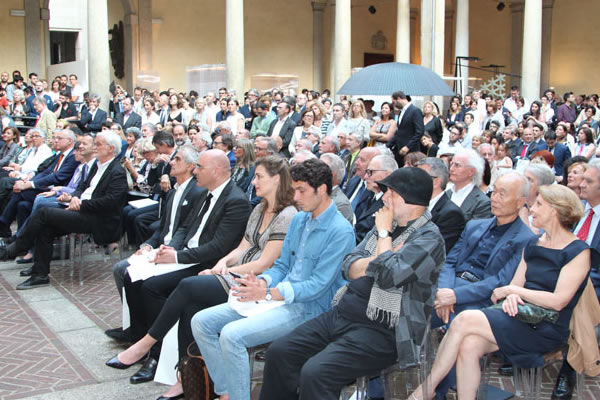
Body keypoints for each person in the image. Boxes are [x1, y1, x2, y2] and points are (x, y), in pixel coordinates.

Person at [106, 156, 297, 399]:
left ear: (277, 180)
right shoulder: (259, 208)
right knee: (190, 310)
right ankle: (187, 377)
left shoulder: (287, 215)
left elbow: (264, 262)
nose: (254, 181)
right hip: (236, 271)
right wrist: (223, 263)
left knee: (188, 286)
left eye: (259, 176)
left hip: (254, 281)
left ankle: (146, 343)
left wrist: (225, 270)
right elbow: (242, 247)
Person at [259, 167, 446, 400]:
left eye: (391, 193)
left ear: (413, 200)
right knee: (280, 352)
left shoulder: (428, 238)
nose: (384, 198)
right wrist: (381, 256)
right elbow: (348, 266)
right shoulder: (387, 226)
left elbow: (388, 276)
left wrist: (384, 235)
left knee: (317, 372)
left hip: (386, 330)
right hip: (344, 313)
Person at [191, 158, 355, 400]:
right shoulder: (300, 219)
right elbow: (281, 266)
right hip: (280, 298)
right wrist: (263, 282)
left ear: (321, 189)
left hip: (309, 308)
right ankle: (227, 392)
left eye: (301, 191)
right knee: (201, 321)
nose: (296, 197)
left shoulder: (340, 231)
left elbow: (318, 286)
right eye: (294, 190)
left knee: (232, 336)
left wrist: (267, 293)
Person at [411, 184, 590, 400]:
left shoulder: (578, 251)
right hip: (517, 315)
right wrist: (514, 294)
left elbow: (559, 301)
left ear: (555, 210)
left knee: (464, 319)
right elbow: (516, 285)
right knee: (468, 346)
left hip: (546, 326)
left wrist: (514, 291)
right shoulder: (534, 243)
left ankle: (426, 389)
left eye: (539, 204)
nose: (531, 208)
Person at [2, 131, 128, 289]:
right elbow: (82, 188)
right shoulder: (97, 165)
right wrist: (72, 197)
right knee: (45, 227)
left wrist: (81, 204)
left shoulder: (117, 171)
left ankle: (17, 247)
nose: (94, 147)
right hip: (81, 211)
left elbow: (111, 203)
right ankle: (40, 273)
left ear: (110, 149)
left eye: (98, 144)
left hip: (98, 220)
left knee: (44, 212)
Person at [416, 157, 466, 252]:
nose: (413, 181)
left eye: (419, 176)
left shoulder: (451, 214)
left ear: (435, 182)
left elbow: (433, 251)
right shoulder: (412, 205)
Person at [447, 148, 492, 221]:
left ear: (471, 171)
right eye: (451, 164)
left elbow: (476, 230)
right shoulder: (447, 193)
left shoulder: (482, 203)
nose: (451, 169)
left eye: (457, 165)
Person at [319, 153, 353, 224]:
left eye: (319, 168)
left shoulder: (341, 204)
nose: (314, 171)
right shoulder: (312, 193)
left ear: (332, 174)